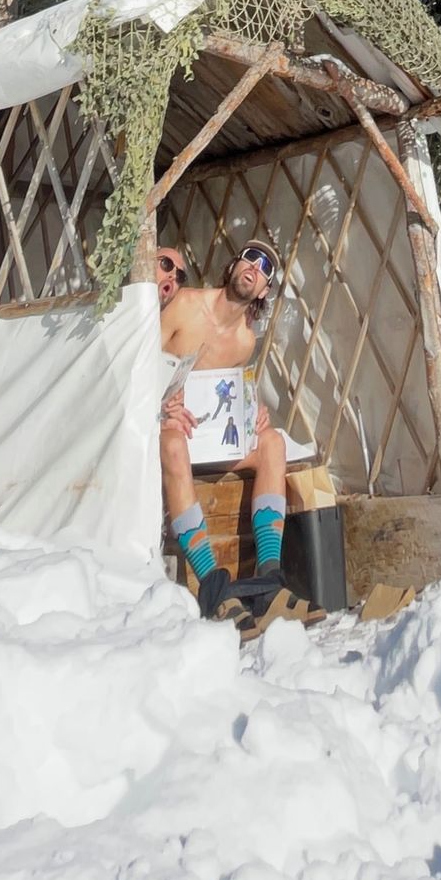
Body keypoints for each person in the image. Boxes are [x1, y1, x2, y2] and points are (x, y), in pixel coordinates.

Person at [158, 241, 290, 612]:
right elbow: (139, 362)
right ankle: (212, 583)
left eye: (265, 266)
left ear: (264, 290)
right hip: (165, 429)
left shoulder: (245, 340)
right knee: (172, 443)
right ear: (234, 264)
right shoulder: (185, 305)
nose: (255, 266)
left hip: (207, 441)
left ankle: (268, 575)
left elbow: (225, 395)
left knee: (273, 444)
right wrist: (162, 404)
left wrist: (255, 411)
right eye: (250, 256)